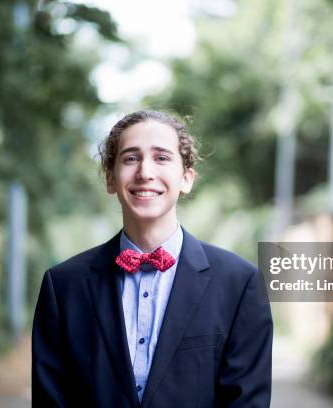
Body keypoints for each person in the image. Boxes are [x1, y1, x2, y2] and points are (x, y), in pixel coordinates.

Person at [32, 110, 273, 407]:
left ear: (186, 178)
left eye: (162, 158)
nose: (145, 172)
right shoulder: (62, 286)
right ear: (110, 178)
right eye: (131, 158)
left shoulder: (240, 284)